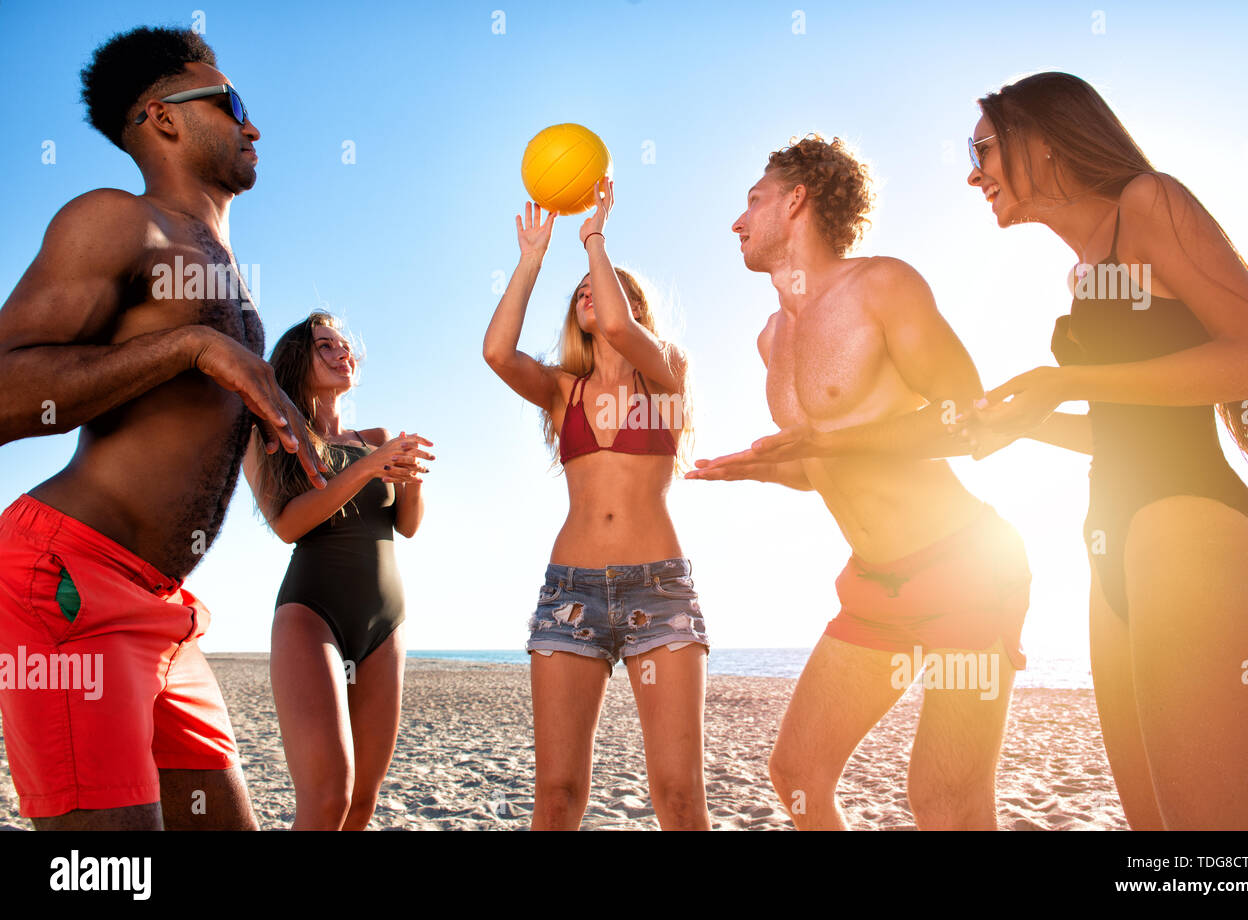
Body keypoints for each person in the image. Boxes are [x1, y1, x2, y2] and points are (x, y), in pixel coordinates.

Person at [0, 26, 327, 830]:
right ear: (164, 117)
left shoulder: (219, 263)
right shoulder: (117, 221)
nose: (253, 126)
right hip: (71, 581)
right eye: (232, 104)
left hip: (165, 606)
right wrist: (188, 346)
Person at [964, 72, 1248, 829]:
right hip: (1111, 551)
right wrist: (1020, 422)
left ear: (1042, 139)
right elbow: (1125, 429)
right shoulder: (1084, 271)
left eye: (982, 148)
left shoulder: (1150, 202)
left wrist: (1066, 378)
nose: (973, 172)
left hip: (1194, 534)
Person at [687, 136, 1030, 830]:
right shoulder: (770, 338)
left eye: (753, 200)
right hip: (874, 585)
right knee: (797, 775)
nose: (737, 221)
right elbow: (823, 465)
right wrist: (764, 469)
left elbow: (973, 420)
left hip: (965, 569)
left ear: (796, 200)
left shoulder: (882, 285)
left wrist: (828, 444)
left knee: (944, 800)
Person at [483, 179, 710, 830]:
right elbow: (496, 352)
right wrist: (532, 259)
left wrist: (594, 239)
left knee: (679, 795)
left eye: (603, 285)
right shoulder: (563, 391)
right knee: (557, 795)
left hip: (658, 592)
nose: (589, 291)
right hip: (570, 593)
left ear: (635, 309)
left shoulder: (666, 373)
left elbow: (616, 324)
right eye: (580, 289)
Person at [243, 312, 431, 830]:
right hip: (312, 613)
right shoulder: (271, 437)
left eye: (344, 345)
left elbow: (406, 527)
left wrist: (412, 481)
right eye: (325, 345)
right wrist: (369, 467)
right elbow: (287, 525)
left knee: (362, 802)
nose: (341, 352)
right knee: (329, 798)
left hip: (385, 620)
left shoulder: (376, 438)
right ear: (297, 360)